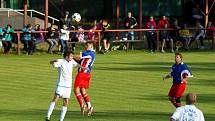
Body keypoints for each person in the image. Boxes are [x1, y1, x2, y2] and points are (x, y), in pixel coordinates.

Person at [45, 51, 86, 121]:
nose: (72, 57)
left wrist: (83, 67)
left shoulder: (72, 61)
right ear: (66, 56)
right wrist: (53, 61)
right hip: (61, 84)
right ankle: (48, 116)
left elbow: (76, 64)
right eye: (71, 56)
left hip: (68, 86)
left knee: (66, 102)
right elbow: (51, 63)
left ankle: (61, 119)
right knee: (55, 99)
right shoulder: (60, 61)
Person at [73, 41, 95, 116]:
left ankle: (82, 105)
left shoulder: (90, 53)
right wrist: (72, 58)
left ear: (91, 46)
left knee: (76, 89)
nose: (85, 46)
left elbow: (78, 57)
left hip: (82, 73)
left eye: (87, 45)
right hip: (87, 74)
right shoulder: (89, 54)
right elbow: (80, 61)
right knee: (82, 90)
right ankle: (89, 106)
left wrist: (70, 55)